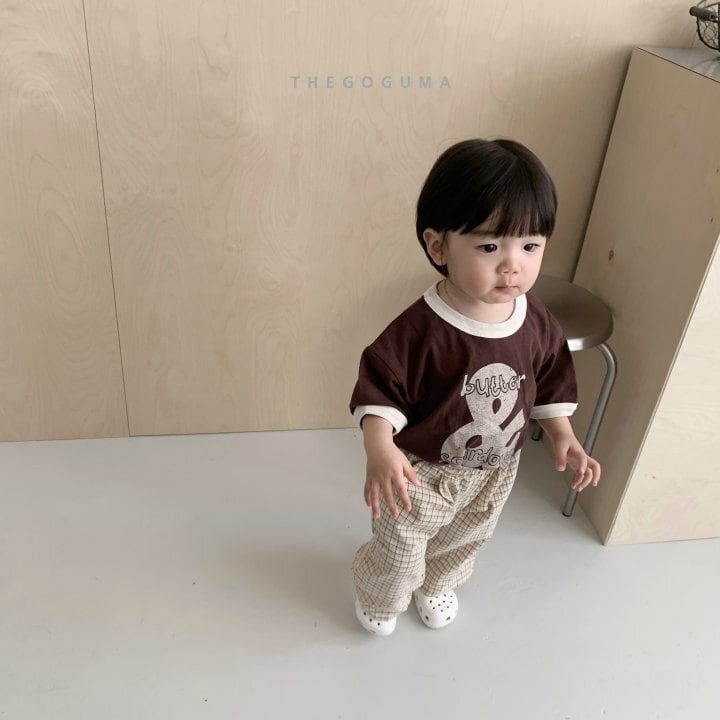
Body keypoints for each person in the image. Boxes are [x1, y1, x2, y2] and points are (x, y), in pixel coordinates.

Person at [349, 138, 601, 636]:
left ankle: (437, 583)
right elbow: (380, 384)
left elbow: (550, 378)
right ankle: (381, 595)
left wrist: (563, 434)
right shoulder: (423, 328)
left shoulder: (534, 320)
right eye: (489, 247)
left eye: (530, 246)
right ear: (438, 246)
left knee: (465, 539)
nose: (513, 265)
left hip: (494, 470)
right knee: (400, 546)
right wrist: (379, 446)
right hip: (421, 472)